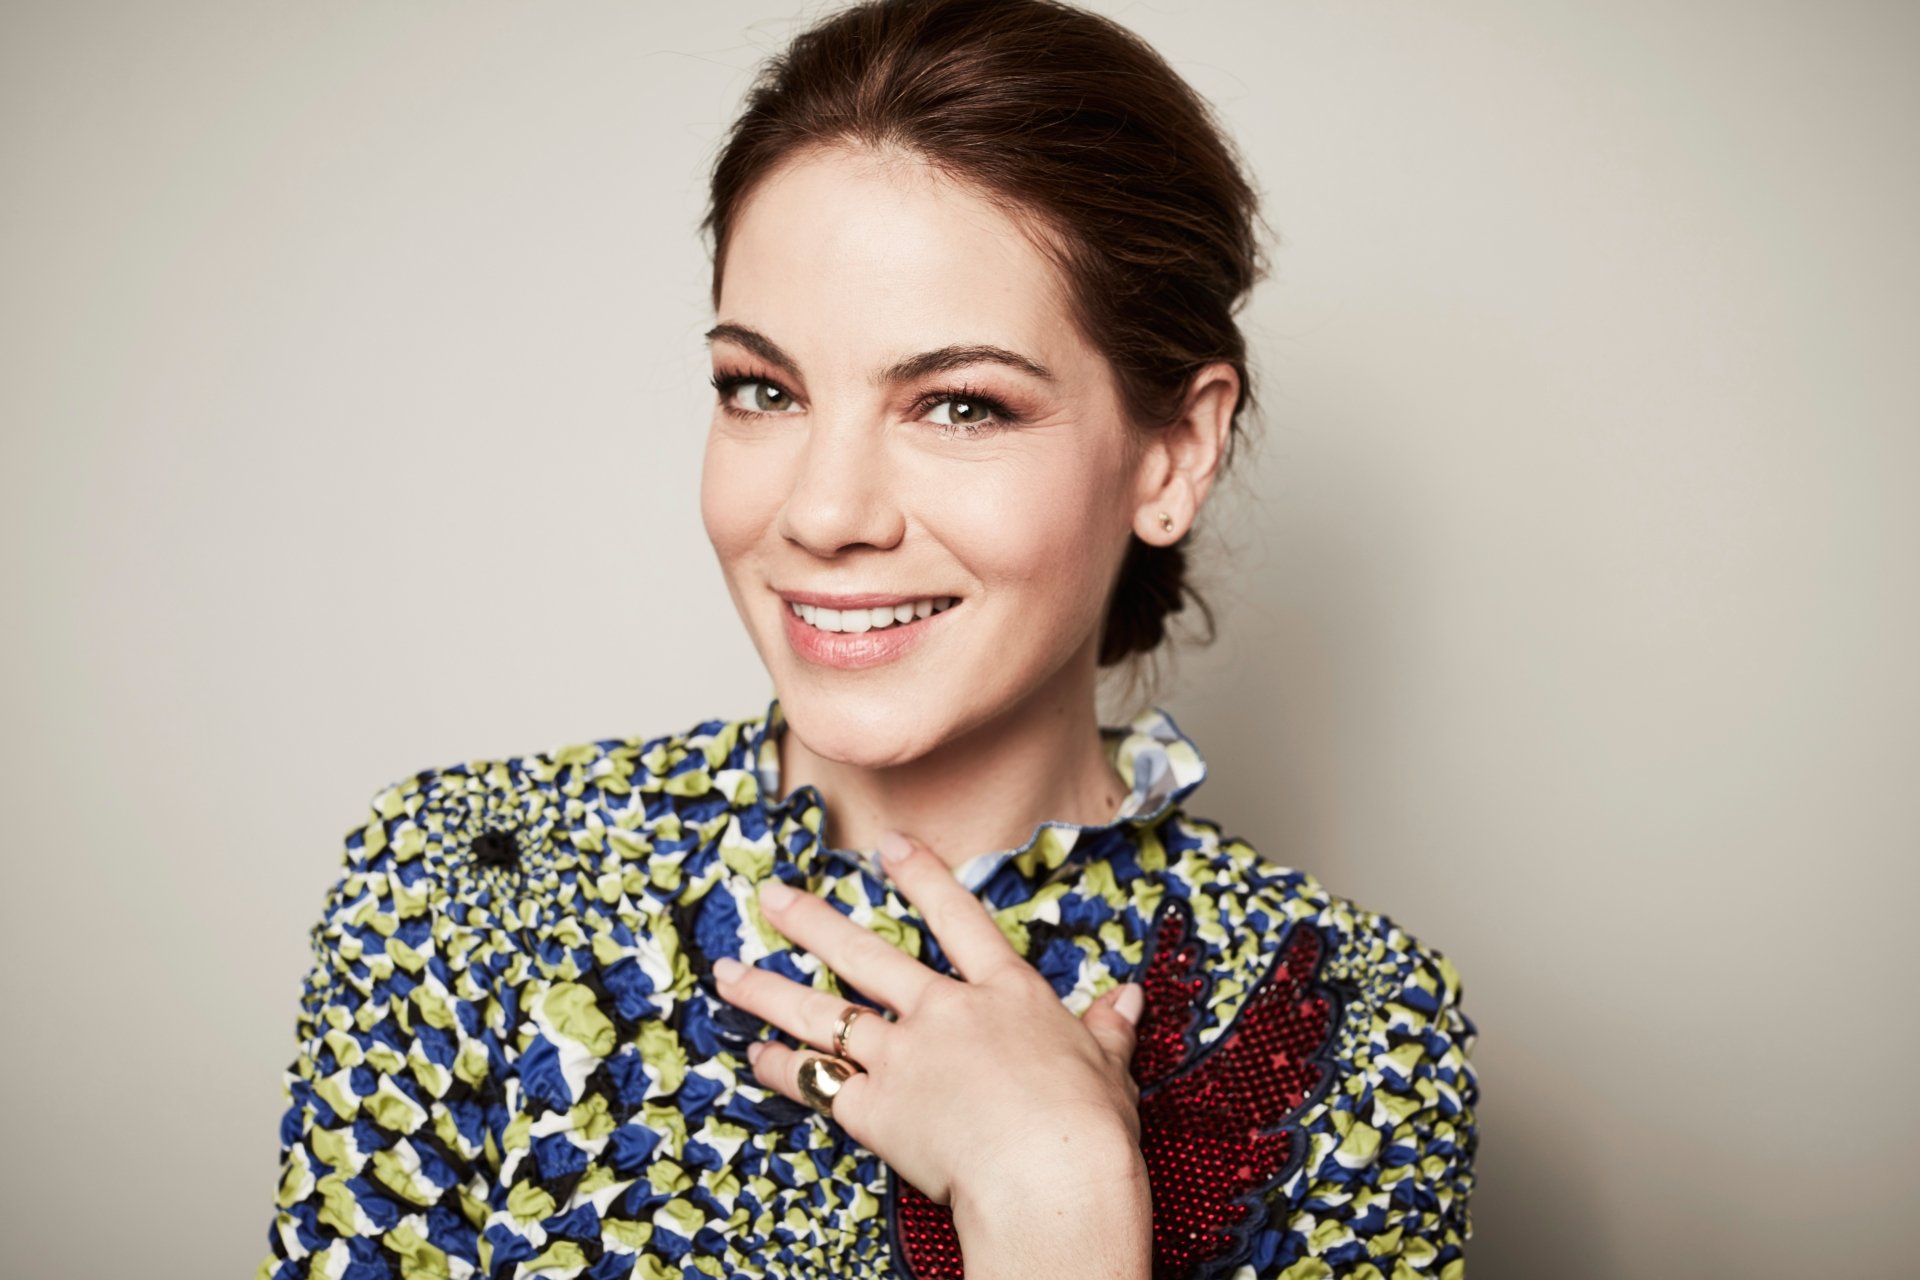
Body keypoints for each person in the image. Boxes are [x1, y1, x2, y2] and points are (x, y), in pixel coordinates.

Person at [255, 1, 1479, 1276]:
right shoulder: (469, 882)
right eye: (762, 389)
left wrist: (1057, 1196)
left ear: (1173, 452)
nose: (824, 512)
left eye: (960, 404)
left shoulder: (1358, 1030)